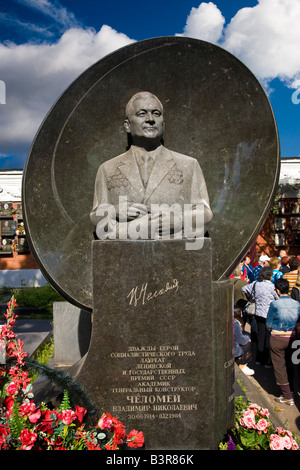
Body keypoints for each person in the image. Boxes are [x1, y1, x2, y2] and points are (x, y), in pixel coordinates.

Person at [90, 91, 213, 240]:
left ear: (163, 123)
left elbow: (205, 214)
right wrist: (114, 211)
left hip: (175, 253)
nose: (150, 119)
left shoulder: (188, 165)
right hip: (124, 255)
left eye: (156, 114)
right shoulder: (107, 169)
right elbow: (96, 217)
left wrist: (179, 219)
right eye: (142, 114)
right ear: (127, 126)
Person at [266, 278, 300, 405]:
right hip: (292, 337)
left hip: (277, 337)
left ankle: (286, 395)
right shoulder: (297, 304)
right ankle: (291, 389)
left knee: (279, 366)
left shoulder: (275, 304)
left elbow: (268, 322)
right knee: (290, 364)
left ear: (278, 290)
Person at [242, 266, 278, 366]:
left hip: (258, 312)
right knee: (268, 336)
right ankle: (267, 360)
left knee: (260, 335)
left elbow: (244, 288)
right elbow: (277, 297)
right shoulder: (271, 286)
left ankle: (259, 358)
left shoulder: (256, 284)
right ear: (269, 275)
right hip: (269, 313)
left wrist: (252, 297)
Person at [234, 308, 254, 376]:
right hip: (234, 348)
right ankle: (242, 366)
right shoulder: (236, 323)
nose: (242, 315)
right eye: (241, 313)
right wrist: (248, 337)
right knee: (248, 345)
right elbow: (241, 340)